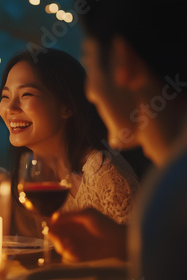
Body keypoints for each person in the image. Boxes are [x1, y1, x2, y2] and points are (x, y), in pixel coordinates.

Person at [47, 0, 187, 279]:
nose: (89, 93)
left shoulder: (174, 191)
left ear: (124, 63)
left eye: (89, 63)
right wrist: (124, 243)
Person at [0, 49, 140, 237]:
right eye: (5, 96)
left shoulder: (102, 173)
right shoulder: (31, 174)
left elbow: (139, 252)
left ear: (68, 106)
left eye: (26, 95)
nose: (10, 108)